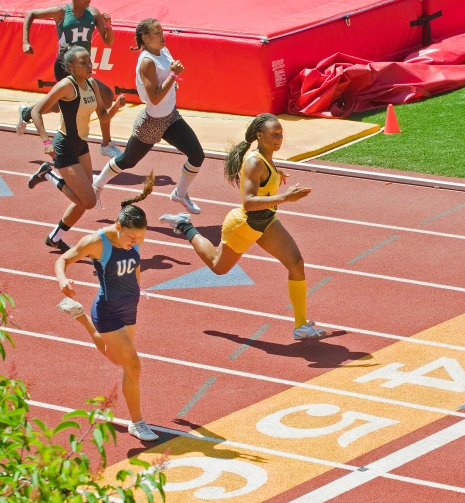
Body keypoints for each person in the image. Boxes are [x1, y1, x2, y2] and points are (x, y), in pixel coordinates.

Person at [159, 113, 327, 340]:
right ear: (260, 135)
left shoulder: (266, 157)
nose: (279, 138)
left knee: (296, 263)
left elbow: (264, 181)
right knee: (218, 268)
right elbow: (248, 201)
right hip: (244, 224)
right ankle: (185, 225)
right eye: (274, 134)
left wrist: (277, 176)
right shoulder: (255, 161)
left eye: (280, 134)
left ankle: (300, 326)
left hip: (266, 222)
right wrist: (284, 198)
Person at [55, 173, 159, 442]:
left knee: (119, 361)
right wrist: (63, 278)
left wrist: (138, 288)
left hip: (130, 306)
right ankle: (137, 423)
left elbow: (134, 265)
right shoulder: (96, 242)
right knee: (134, 366)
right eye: (131, 237)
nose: (135, 242)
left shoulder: (134, 238)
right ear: (118, 226)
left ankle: (80, 319)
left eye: (140, 237)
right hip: (108, 309)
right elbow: (63, 259)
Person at [91, 18, 204, 214]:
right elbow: (155, 97)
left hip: (170, 118)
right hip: (151, 122)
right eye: (157, 33)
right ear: (145, 37)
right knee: (128, 160)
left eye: (162, 32)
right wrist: (174, 76)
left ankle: (180, 193)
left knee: (197, 155)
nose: (163, 36)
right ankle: (97, 185)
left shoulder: (163, 51)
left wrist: (172, 79)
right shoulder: (146, 62)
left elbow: (166, 82)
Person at [27, 46, 126, 252]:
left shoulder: (91, 84)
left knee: (84, 199)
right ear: (71, 67)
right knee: (89, 201)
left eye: (89, 61)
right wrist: (46, 142)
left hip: (81, 145)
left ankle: (55, 237)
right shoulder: (66, 86)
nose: (89, 65)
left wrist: (116, 107)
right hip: (63, 146)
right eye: (83, 63)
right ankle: (48, 175)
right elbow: (36, 111)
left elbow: (103, 116)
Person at [16, 0, 122, 159]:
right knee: (75, 103)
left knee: (101, 97)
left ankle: (28, 112)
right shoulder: (62, 13)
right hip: (66, 67)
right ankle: (103, 143)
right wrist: (26, 41)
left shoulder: (94, 14)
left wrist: (109, 26)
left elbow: (109, 41)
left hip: (83, 67)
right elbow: (30, 14)